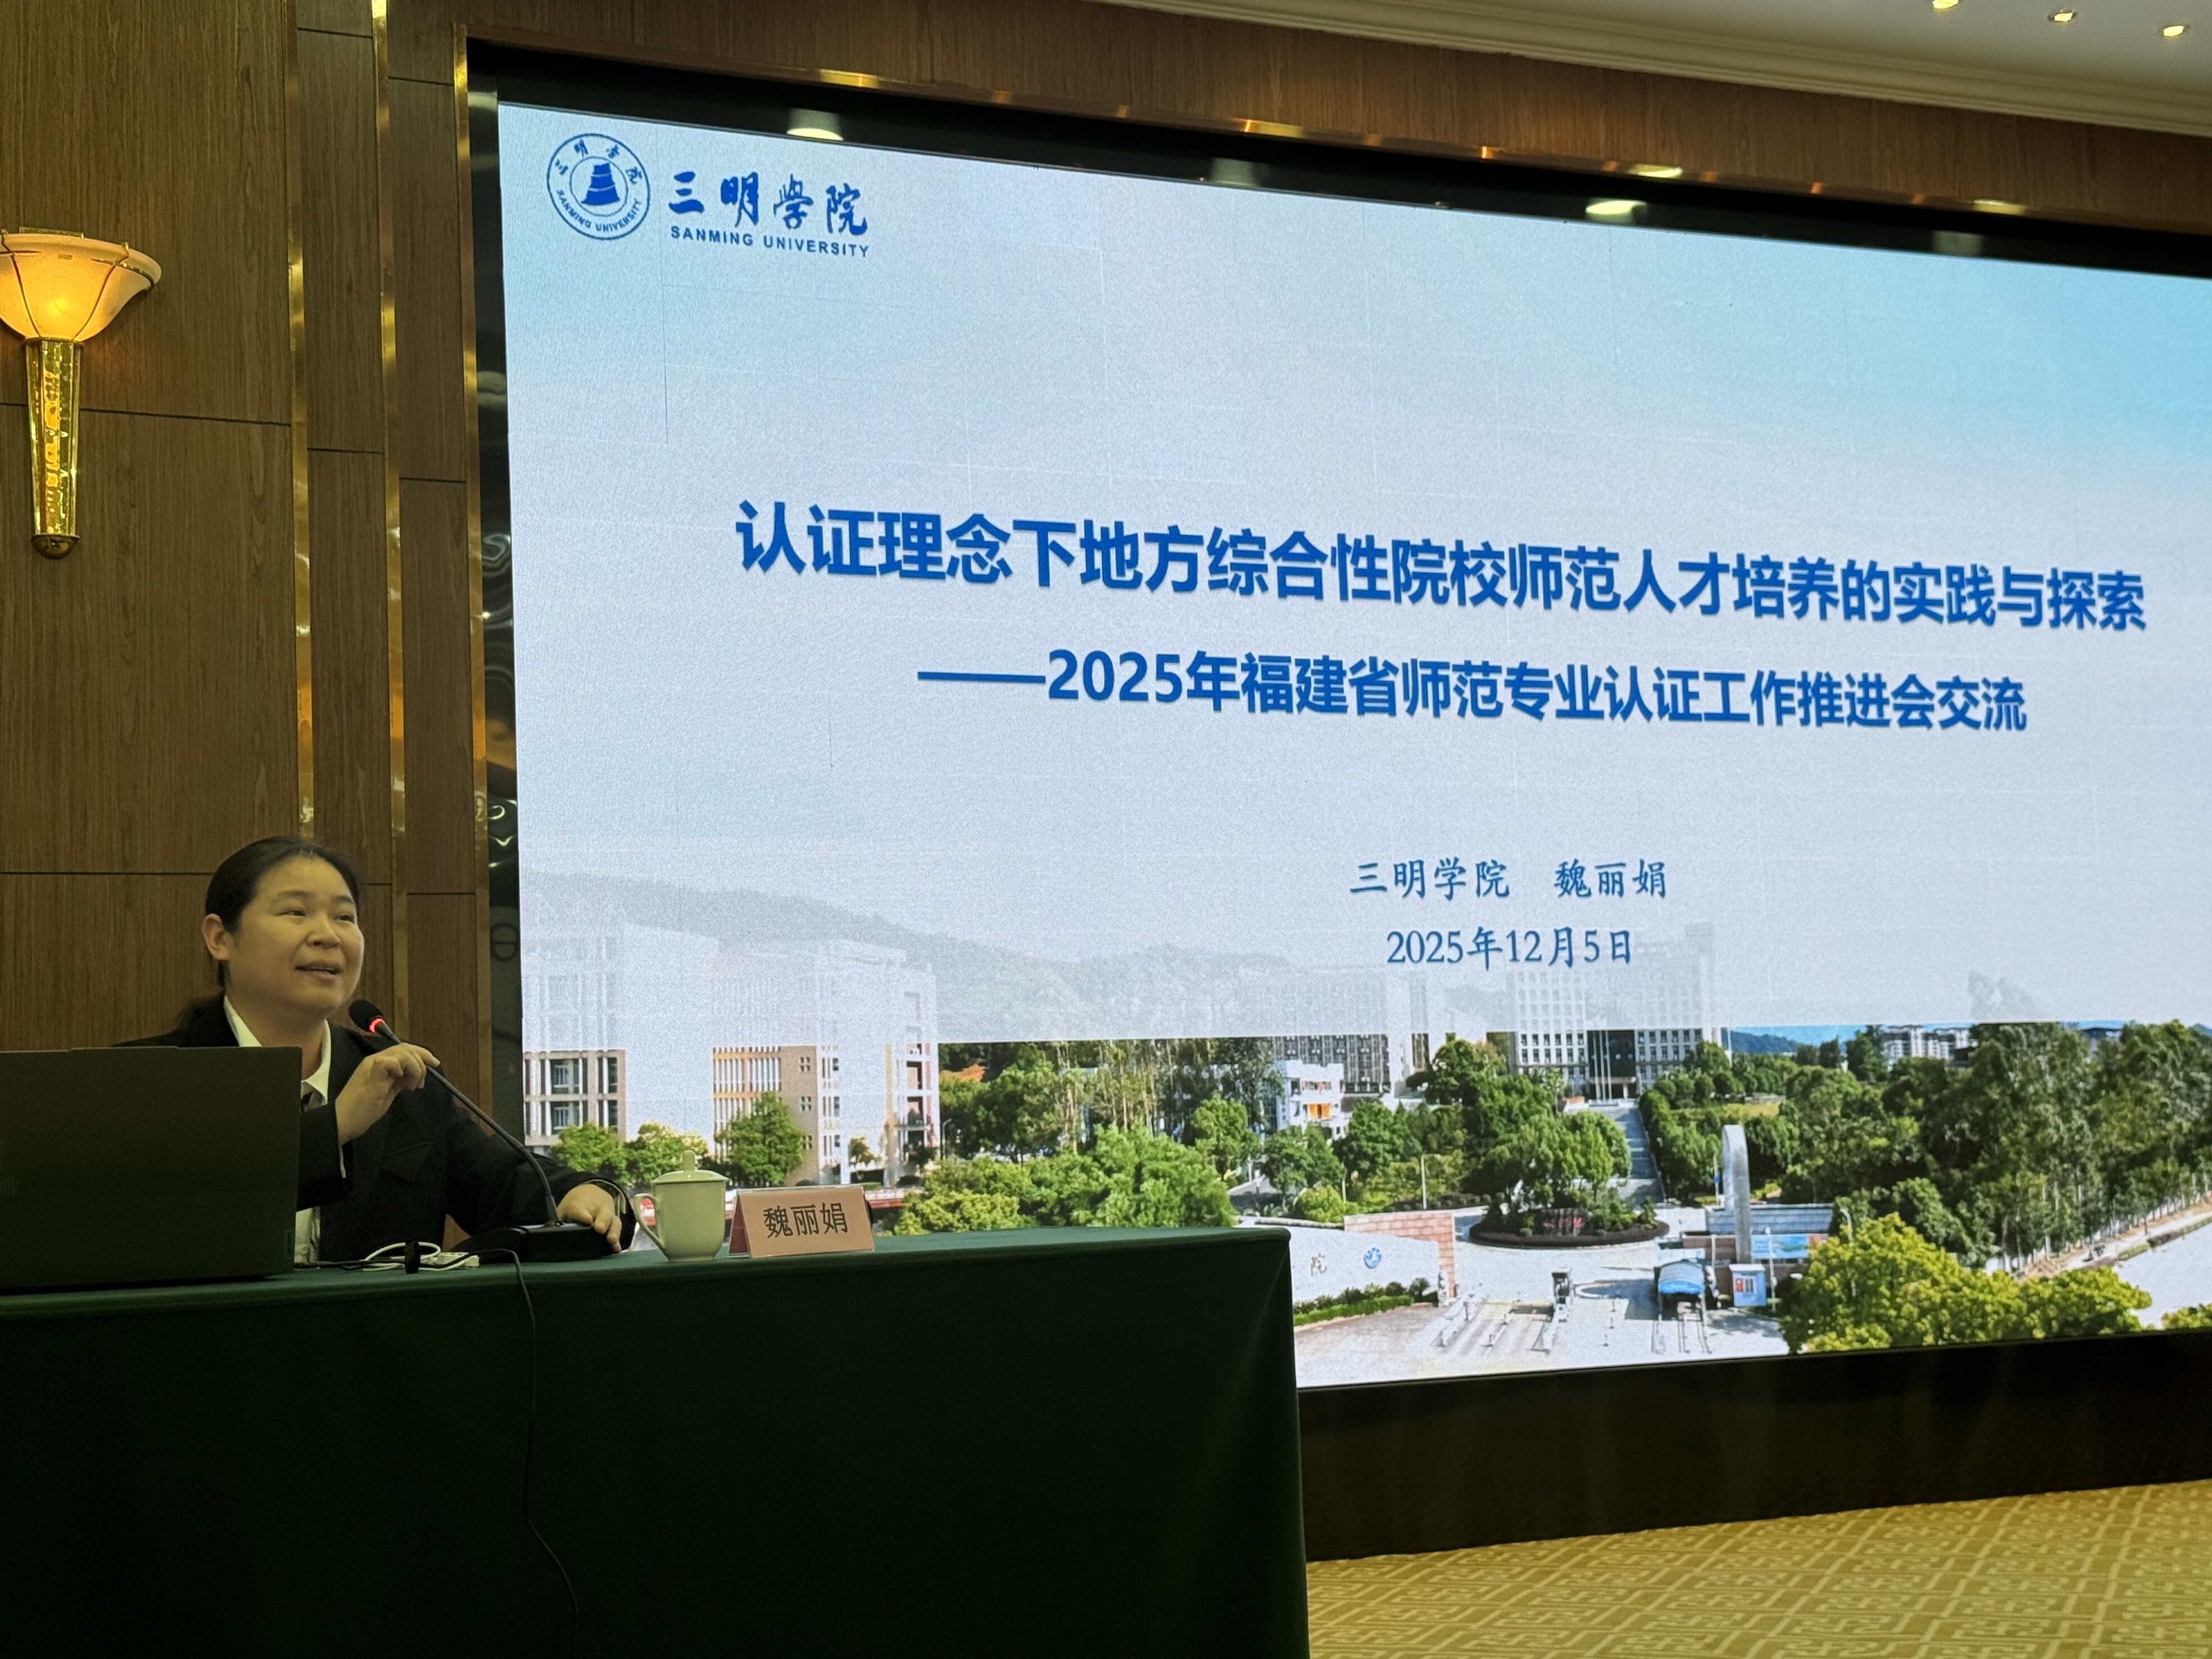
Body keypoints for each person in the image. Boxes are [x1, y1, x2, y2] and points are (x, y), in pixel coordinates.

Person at [126, 835, 626, 1262]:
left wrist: (580, 1193)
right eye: (296, 912)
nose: (327, 935)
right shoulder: (149, 1080)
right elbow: (168, 1217)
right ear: (220, 938)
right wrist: (334, 1128)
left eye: (345, 917)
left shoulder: (399, 1083)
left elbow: (504, 1182)